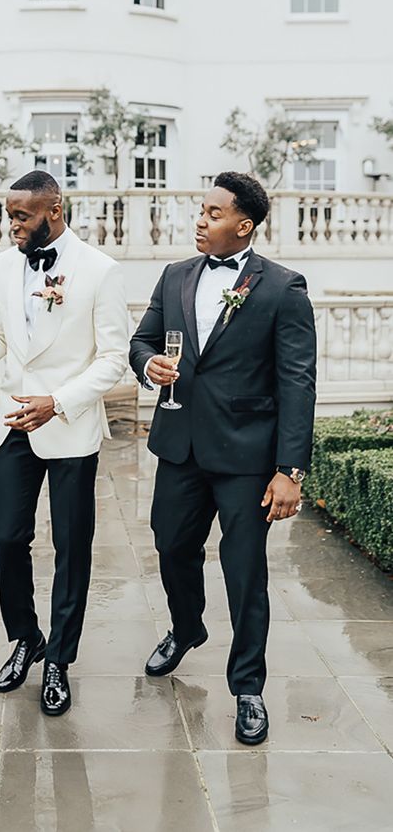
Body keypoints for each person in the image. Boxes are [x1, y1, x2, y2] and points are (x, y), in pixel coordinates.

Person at [129, 171, 316, 745]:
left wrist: (290, 471)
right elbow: (142, 341)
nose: (201, 220)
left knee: (244, 573)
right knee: (170, 546)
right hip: (180, 446)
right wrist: (147, 366)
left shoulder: (283, 288)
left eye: (213, 212)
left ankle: (249, 687)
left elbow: (297, 382)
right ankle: (187, 628)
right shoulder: (175, 275)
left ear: (245, 225)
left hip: (245, 459)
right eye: (200, 210)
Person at [0, 170, 129, 716]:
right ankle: (27, 639)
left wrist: (60, 401)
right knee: (6, 537)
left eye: (20, 216)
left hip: (68, 425)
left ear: (54, 210)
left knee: (72, 548)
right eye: (9, 215)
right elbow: (1, 332)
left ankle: (59, 661)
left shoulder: (100, 271)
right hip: (12, 421)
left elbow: (113, 360)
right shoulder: (7, 264)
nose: (11, 226)